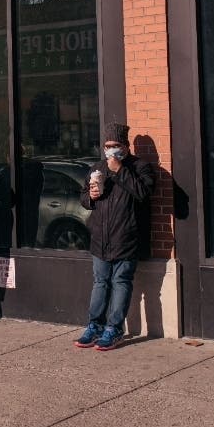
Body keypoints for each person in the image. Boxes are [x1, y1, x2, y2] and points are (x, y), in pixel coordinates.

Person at [74, 122, 156, 351]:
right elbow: (83, 197)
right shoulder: (97, 167)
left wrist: (120, 169)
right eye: (107, 146)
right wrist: (90, 197)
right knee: (100, 282)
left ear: (125, 146)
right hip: (100, 238)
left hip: (126, 237)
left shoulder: (140, 167)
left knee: (120, 282)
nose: (110, 150)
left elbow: (144, 193)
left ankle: (114, 328)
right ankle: (94, 325)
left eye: (115, 145)